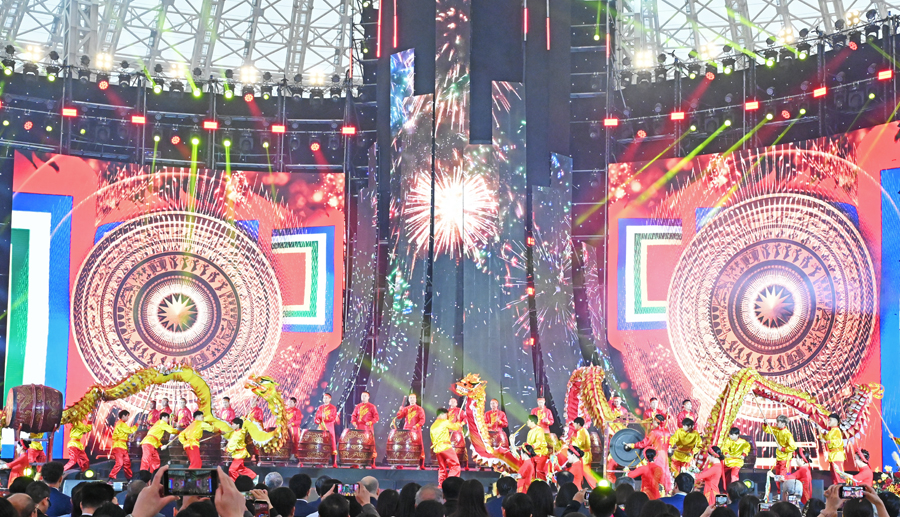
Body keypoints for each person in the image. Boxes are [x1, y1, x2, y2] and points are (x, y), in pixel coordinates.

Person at [627, 414, 672, 492]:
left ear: (656, 422)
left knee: (655, 474)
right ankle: (666, 492)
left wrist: (632, 445)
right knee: (664, 473)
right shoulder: (667, 431)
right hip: (664, 456)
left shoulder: (654, 432)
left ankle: (654, 491)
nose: (652, 423)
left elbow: (644, 443)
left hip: (657, 456)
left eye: (653, 421)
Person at [517, 415, 550, 492]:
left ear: (532, 421)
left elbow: (539, 442)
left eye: (528, 420)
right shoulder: (530, 432)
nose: (527, 422)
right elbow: (528, 444)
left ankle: (542, 490)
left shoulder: (539, 430)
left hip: (540, 453)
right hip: (532, 454)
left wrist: (531, 447)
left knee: (539, 472)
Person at [430, 409, 461, 485]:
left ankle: (441, 484)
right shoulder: (444, 422)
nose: (447, 417)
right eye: (446, 415)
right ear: (442, 414)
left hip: (437, 449)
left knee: (442, 468)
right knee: (455, 465)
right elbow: (456, 427)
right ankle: (451, 484)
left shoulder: (433, 425)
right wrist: (458, 420)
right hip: (446, 447)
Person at [395, 394, 426, 467]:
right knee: (404, 446)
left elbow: (422, 420)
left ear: (415, 399)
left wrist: (417, 425)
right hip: (406, 429)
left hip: (416, 430)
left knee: (418, 446)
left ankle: (420, 464)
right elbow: (399, 417)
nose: (412, 399)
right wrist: (400, 410)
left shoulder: (419, 409)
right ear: (409, 400)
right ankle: (401, 463)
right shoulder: (406, 409)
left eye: (413, 398)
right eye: (410, 398)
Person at [568, 417, 596, 489]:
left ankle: (595, 488)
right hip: (585, 456)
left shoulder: (581, 431)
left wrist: (572, 440)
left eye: (574, 423)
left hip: (584, 457)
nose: (573, 425)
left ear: (578, 424)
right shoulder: (581, 431)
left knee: (587, 474)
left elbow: (580, 443)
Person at [109, 410, 137, 480]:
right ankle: (111, 477)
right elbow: (130, 430)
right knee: (120, 463)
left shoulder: (121, 424)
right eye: (127, 416)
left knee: (127, 463)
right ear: (123, 416)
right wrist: (137, 425)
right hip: (118, 446)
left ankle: (129, 478)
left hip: (123, 446)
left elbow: (121, 436)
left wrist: (128, 439)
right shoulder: (121, 424)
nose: (128, 418)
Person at [819, 413, 846, 485]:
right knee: (834, 476)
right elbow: (825, 438)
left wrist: (826, 441)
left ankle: (840, 489)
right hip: (833, 455)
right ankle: (836, 489)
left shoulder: (836, 430)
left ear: (836, 421)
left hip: (837, 455)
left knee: (838, 476)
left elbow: (838, 441)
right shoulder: (832, 431)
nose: (828, 421)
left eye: (830, 420)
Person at [314, 394, 338, 465]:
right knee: (320, 443)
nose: (325, 399)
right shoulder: (320, 407)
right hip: (321, 427)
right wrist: (317, 420)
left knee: (332, 443)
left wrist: (326, 418)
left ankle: (334, 462)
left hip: (329, 427)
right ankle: (320, 462)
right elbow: (316, 418)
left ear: (330, 399)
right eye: (324, 398)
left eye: (327, 398)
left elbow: (333, 418)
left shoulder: (333, 408)